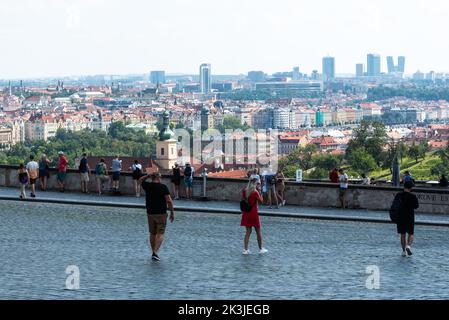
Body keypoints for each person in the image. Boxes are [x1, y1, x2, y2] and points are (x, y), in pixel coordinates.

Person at [139, 172, 175, 261]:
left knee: (152, 233)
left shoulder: (147, 186)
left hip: (150, 213)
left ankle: (153, 252)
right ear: (158, 178)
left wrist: (148, 175)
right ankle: (155, 253)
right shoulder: (163, 187)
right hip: (161, 213)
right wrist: (172, 212)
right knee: (160, 233)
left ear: (152, 178)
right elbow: (169, 201)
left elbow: (140, 180)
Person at [241, 178, 268, 255]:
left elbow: (242, 200)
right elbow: (261, 201)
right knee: (258, 231)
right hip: (253, 213)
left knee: (248, 232)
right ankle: (261, 249)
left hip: (246, 213)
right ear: (255, 183)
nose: (258, 185)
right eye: (257, 183)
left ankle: (245, 250)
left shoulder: (245, 190)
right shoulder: (255, 192)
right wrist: (260, 192)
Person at [393, 181, 419, 257]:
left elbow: (394, 205)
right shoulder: (413, 196)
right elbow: (416, 206)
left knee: (402, 234)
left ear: (404, 186)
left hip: (400, 216)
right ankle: (408, 246)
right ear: (411, 188)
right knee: (411, 233)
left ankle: (403, 251)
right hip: (410, 216)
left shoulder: (398, 195)